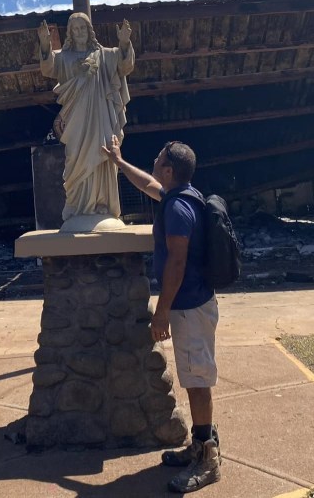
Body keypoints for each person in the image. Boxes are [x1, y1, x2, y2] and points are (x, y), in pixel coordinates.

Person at [102, 136, 222, 494]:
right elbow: (149, 184)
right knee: (194, 376)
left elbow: (177, 261)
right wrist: (119, 162)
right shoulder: (181, 195)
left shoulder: (176, 209)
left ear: (169, 169)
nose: (154, 162)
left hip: (189, 307)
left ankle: (208, 460)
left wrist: (162, 312)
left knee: (198, 382)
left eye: (157, 159)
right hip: (193, 305)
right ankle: (199, 445)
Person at [38, 13, 135, 227]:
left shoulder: (105, 55)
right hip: (76, 122)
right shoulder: (64, 57)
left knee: (104, 155)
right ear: (70, 33)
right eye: (75, 29)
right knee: (75, 158)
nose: (80, 32)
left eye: (83, 28)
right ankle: (78, 207)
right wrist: (45, 45)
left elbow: (124, 66)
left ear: (89, 30)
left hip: (101, 117)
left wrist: (125, 42)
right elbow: (48, 67)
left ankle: (102, 204)